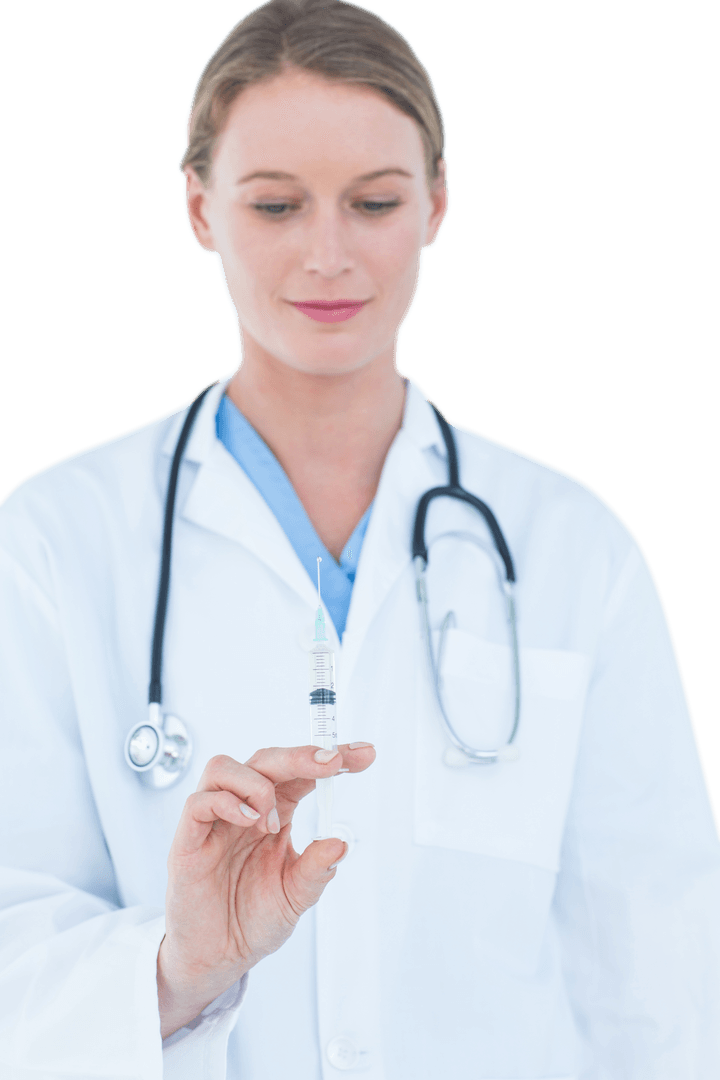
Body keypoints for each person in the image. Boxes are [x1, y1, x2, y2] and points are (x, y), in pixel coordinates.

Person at [1, 0, 719, 1076]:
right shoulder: (55, 542)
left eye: (374, 201)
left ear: (437, 202)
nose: (327, 255)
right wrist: (182, 966)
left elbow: (664, 971)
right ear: (199, 208)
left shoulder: (574, 550)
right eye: (276, 204)